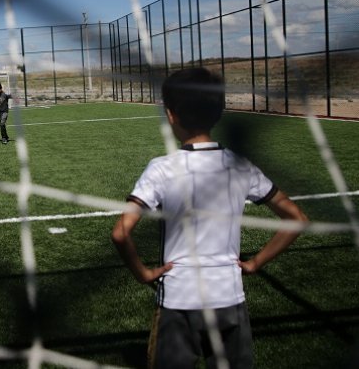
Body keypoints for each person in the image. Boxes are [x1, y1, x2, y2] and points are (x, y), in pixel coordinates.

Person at [111, 67, 308, 369]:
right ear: (218, 112)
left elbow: (121, 233)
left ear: (170, 115)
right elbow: (296, 218)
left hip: (179, 299)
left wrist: (144, 274)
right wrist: (256, 263)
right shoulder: (241, 166)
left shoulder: (162, 168)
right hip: (229, 297)